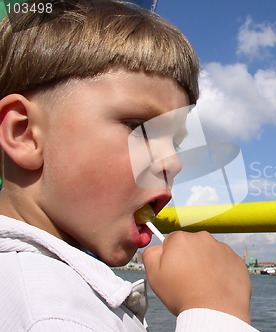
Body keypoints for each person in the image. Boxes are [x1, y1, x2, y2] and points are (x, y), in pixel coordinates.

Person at [0, 0, 258, 331]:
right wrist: (215, 310)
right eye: (141, 127)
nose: (174, 162)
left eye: (175, 141)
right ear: (24, 134)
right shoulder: (51, 315)